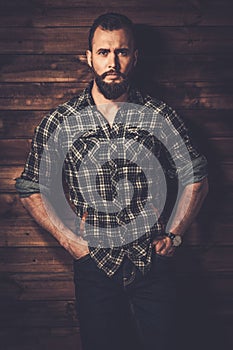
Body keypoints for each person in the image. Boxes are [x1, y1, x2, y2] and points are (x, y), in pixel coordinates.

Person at [15, 13, 209, 350]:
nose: (113, 62)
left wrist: (175, 236)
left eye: (122, 52)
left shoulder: (159, 116)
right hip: (94, 265)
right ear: (88, 57)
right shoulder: (61, 121)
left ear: (136, 57)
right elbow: (31, 188)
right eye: (103, 52)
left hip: (152, 260)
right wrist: (69, 242)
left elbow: (197, 177)